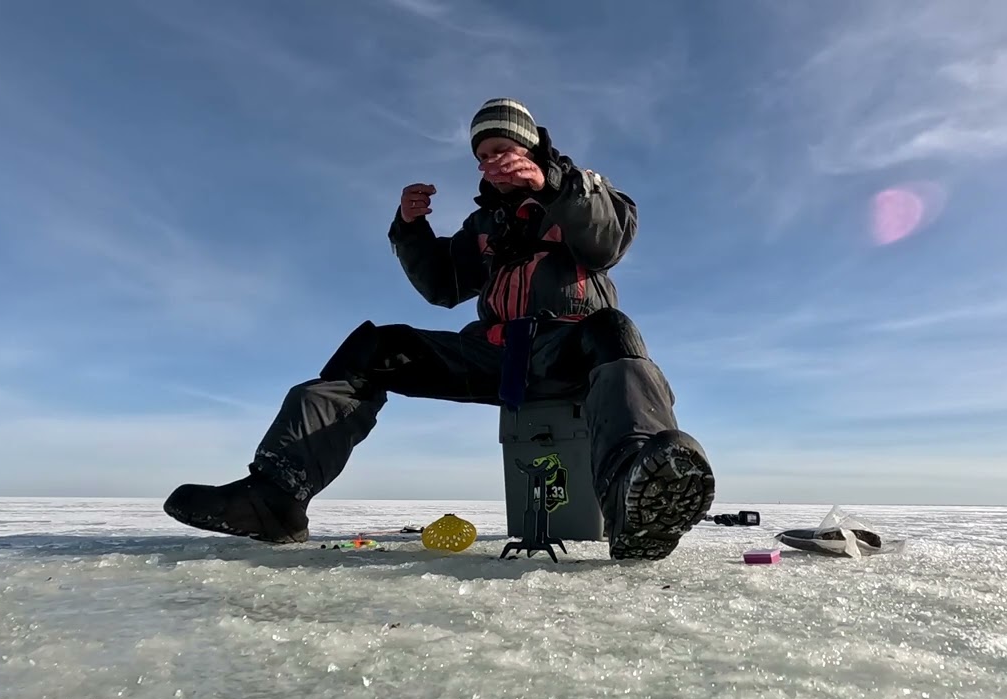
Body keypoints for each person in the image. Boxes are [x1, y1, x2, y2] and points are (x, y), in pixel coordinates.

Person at [163, 98, 715, 560]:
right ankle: (274, 497)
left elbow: (607, 241)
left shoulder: (585, 191)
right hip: (494, 355)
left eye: (500, 149)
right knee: (377, 345)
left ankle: (632, 499)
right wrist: (411, 228)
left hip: (569, 348)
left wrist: (553, 186)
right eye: (481, 156)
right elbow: (443, 287)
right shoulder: (483, 226)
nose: (490, 162)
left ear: (531, 148)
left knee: (613, 328)